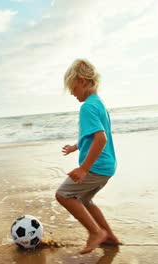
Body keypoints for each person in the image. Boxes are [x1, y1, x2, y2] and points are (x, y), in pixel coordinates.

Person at [55, 59, 121, 254]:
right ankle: (109, 235)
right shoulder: (98, 104)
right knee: (84, 199)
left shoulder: (87, 107)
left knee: (63, 195)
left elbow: (101, 139)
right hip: (108, 166)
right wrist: (76, 147)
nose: (72, 93)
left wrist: (84, 168)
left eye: (73, 88)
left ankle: (95, 232)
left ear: (83, 81)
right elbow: (93, 136)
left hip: (96, 167)